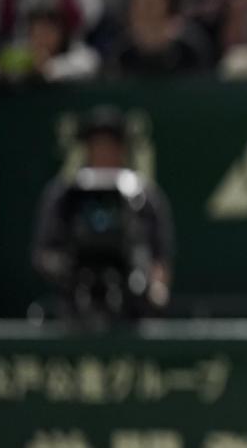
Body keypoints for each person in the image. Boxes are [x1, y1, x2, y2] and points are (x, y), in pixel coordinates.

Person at [32, 106, 174, 327]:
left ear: (122, 149)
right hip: (74, 312)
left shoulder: (142, 195)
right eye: (98, 145)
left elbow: (160, 259)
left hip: (134, 314)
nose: (105, 152)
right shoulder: (66, 195)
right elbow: (44, 253)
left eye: (111, 145)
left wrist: (152, 284)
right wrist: (71, 269)